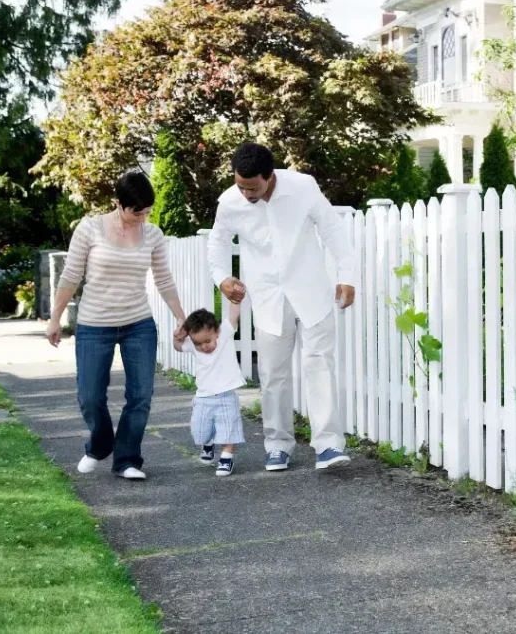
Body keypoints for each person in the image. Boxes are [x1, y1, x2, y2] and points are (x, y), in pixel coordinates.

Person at [207, 142, 356, 472]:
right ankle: (277, 445)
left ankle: (329, 445)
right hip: (267, 297)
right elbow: (216, 243)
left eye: (253, 187)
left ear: (269, 176)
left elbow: (332, 228)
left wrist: (346, 275)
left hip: (312, 291)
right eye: (240, 186)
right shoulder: (229, 202)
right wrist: (222, 278)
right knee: (273, 373)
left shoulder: (302, 187)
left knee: (319, 365)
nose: (246, 193)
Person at [46, 168, 187, 481]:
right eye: (137, 212)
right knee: (90, 397)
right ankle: (100, 444)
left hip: (138, 322)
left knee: (141, 396)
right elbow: (70, 277)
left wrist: (180, 316)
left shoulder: (152, 234)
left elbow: (163, 279)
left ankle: (126, 459)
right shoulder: (90, 229)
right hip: (95, 325)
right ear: (118, 204)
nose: (142, 218)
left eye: (147, 211)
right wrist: (55, 318)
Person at [174, 304, 246, 477]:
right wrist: (178, 337)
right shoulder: (192, 344)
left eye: (207, 341)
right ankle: (208, 443)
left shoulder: (225, 335)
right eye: (199, 343)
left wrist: (234, 297)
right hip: (203, 397)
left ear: (217, 332)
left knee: (229, 429)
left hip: (226, 395)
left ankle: (226, 458)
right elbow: (178, 347)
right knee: (199, 432)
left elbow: (234, 315)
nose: (204, 347)